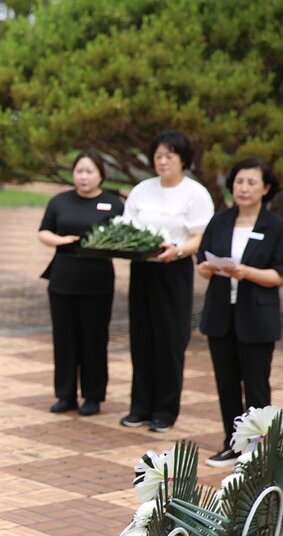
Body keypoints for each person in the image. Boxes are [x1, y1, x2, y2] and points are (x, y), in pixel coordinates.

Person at [197, 158, 283, 467]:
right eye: (239, 181)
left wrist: (245, 271)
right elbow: (202, 264)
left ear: (265, 188)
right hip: (221, 314)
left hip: (257, 317)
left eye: (252, 182)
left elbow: (279, 275)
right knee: (226, 384)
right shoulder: (220, 221)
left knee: (256, 384)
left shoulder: (275, 226)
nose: (244, 188)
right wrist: (210, 268)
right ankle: (232, 444)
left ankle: (260, 451)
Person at [121, 130, 214, 432]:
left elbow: (201, 236)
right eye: (158, 156)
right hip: (143, 268)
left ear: (183, 159)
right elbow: (126, 227)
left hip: (174, 270)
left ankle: (165, 410)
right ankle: (140, 406)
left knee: (170, 340)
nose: (162, 161)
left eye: (169, 156)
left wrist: (178, 250)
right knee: (141, 337)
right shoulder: (142, 190)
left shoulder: (195, 193)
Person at [37, 151, 124, 416]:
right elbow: (43, 231)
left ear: (101, 174)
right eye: (79, 171)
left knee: (94, 338)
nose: (83, 177)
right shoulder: (60, 201)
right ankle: (65, 395)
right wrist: (60, 241)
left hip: (97, 280)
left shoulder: (114, 203)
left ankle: (93, 396)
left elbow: (123, 237)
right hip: (63, 276)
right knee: (64, 338)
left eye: (89, 171)